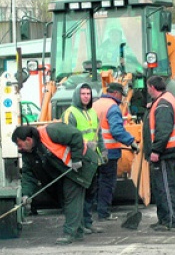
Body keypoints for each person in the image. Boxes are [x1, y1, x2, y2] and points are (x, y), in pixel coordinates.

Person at [12, 124, 99, 245]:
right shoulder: (28, 154)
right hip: (66, 170)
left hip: (81, 166)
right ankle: (78, 231)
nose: (19, 148)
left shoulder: (50, 132)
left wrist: (77, 159)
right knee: (65, 200)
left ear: (28, 140)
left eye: (20, 144)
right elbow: (28, 175)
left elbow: (76, 135)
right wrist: (26, 194)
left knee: (71, 199)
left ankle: (69, 234)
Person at [142, 75, 175, 231]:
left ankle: (169, 220)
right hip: (167, 150)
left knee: (166, 186)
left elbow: (163, 130)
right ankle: (163, 219)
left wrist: (156, 150)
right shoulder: (162, 101)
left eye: (148, 87)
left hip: (165, 152)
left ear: (152, 87)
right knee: (160, 186)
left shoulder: (163, 104)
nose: (147, 90)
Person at [62, 83, 107, 235]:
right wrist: (77, 157)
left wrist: (103, 152)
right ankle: (80, 225)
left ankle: (87, 223)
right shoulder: (71, 113)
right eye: (83, 94)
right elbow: (68, 137)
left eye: (88, 94)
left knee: (90, 193)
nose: (86, 96)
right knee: (80, 194)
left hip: (92, 160)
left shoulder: (93, 113)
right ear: (77, 95)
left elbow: (98, 134)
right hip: (79, 160)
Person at [92, 82, 139, 222]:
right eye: (121, 95)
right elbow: (116, 130)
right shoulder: (112, 108)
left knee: (96, 182)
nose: (121, 99)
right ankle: (104, 213)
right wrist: (131, 142)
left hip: (93, 151)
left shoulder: (95, 104)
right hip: (109, 152)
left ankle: (93, 211)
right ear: (116, 93)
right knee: (107, 182)